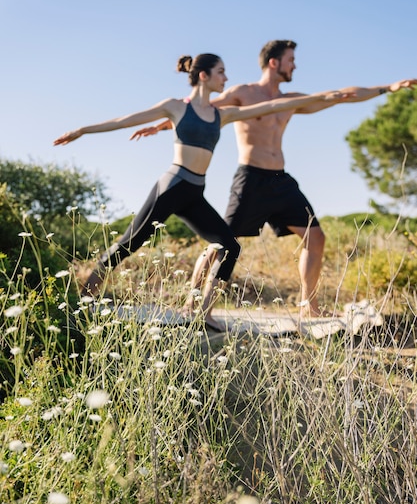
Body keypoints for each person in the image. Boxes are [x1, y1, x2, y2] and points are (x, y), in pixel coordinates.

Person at [53, 52, 347, 327]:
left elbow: (271, 106)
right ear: (204, 76)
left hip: (195, 193)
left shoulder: (223, 115)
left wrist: (329, 97)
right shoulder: (176, 106)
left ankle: (205, 313)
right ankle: (86, 297)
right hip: (172, 186)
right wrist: (82, 130)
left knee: (229, 246)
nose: (226, 78)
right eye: (221, 72)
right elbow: (124, 120)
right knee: (132, 242)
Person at [132, 40, 417, 320]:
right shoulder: (243, 92)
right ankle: (193, 304)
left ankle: (308, 305)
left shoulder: (290, 101)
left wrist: (387, 88)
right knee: (221, 243)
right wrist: (161, 124)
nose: (295, 65)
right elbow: (200, 107)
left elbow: (338, 95)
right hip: (250, 179)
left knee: (315, 237)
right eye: (291, 60)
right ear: (274, 62)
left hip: (280, 181)